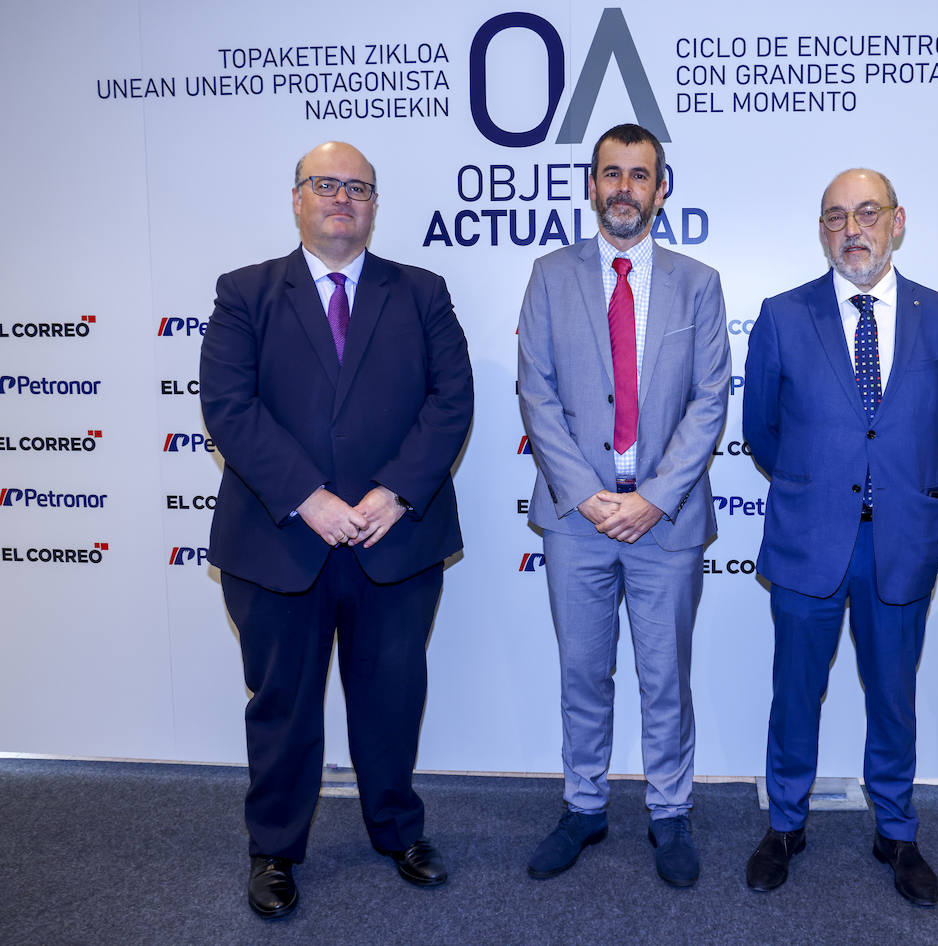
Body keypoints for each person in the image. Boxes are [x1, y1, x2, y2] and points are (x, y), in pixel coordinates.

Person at [200, 141, 474, 919]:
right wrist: (309, 498)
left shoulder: (421, 292)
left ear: (375, 205)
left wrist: (395, 493)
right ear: (297, 199)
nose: (343, 199)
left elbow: (451, 399)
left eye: (359, 188)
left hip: (395, 539)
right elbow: (229, 406)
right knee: (282, 705)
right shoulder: (245, 293)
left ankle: (397, 831)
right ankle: (275, 850)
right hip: (282, 541)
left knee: (391, 696)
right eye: (327, 185)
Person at [741, 169, 938, 905]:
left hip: (899, 542)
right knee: (794, 694)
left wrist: (887, 486)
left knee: (894, 697)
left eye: (867, 212)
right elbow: (762, 433)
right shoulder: (782, 316)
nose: (853, 228)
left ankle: (897, 832)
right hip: (809, 539)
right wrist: (823, 489)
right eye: (836, 216)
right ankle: (785, 823)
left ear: (896, 221)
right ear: (821, 230)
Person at [516, 123, 730, 887]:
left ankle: (669, 813)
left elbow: (710, 402)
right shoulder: (549, 275)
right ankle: (584, 804)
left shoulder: (697, 283)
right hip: (577, 519)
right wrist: (591, 497)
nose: (624, 189)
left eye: (640, 175)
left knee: (664, 674)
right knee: (582, 670)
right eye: (612, 173)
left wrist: (655, 499)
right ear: (590, 185)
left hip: (664, 520)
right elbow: (536, 393)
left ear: (661, 190)